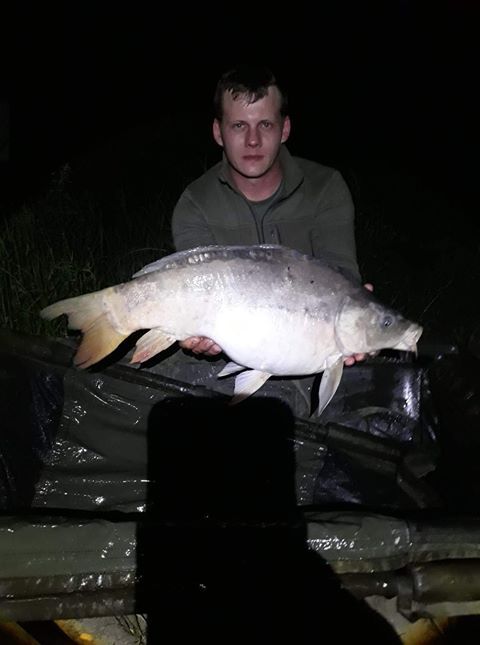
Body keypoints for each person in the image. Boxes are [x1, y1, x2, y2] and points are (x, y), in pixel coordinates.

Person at [171, 64, 372, 366]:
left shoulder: (326, 188)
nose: (253, 140)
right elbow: (194, 294)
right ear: (218, 132)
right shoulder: (194, 203)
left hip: (310, 348)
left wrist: (355, 310)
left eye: (265, 124)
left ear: (284, 129)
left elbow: (340, 275)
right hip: (229, 351)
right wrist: (193, 332)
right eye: (239, 126)